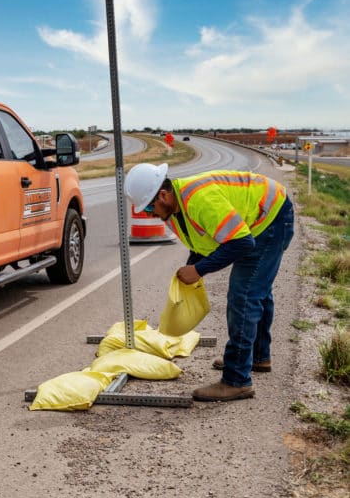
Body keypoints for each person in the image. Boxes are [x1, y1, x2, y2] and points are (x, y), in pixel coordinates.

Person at [124, 163, 295, 402]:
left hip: (271, 219)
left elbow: (242, 243)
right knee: (257, 290)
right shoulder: (174, 209)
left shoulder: (199, 200)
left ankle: (237, 380)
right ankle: (257, 357)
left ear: (163, 194)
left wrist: (200, 269)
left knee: (244, 294)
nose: (150, 214)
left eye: (150, 207)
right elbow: (204, 240)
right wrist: (193, 266)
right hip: (256, 222)